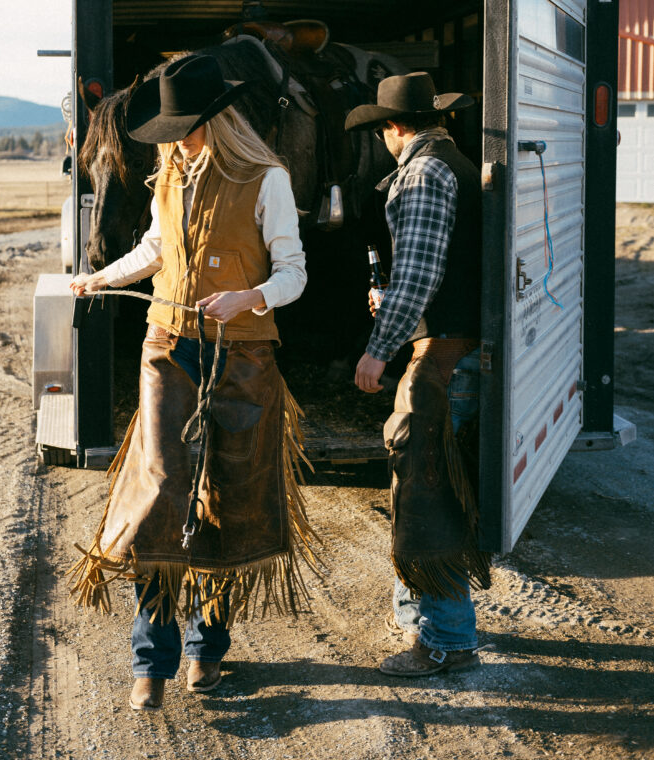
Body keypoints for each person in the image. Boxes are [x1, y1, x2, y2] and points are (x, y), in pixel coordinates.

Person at [69, 53, 316, 711]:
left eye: (185, 127)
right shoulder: (169, 174)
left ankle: (207, 650)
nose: (175, 139)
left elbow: (294, 274)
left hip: (242, 359)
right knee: (158, 495)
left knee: (225, 500)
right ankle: (149, 660)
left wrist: (250, 297)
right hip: (167, 348)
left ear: (216, 120)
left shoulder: (267, 180)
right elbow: (155, 250)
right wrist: (101, 278)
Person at [345, 71, 490, 678]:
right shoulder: (452, 161)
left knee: (428, 496)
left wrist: (379, 346)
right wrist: (402, 306)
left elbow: (421, 275)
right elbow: (431, 273)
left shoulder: (424, 174)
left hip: (441, 359)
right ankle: (424, 617)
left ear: (390, 127)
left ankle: (445, 641)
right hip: (450, 348)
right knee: (431, 488)